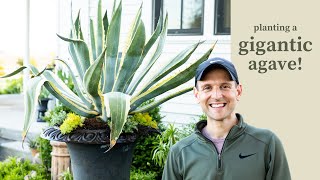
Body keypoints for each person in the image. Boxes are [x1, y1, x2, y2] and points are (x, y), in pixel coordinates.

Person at [162, 57, 291, 180]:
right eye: (207, 87)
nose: (217, 95)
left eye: (225, 86)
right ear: (197, 94)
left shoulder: (267, 143)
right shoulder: (180, 152)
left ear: (238, 91)